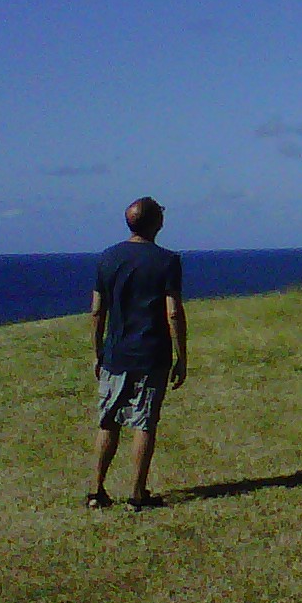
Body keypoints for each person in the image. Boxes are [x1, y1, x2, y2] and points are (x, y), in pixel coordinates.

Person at [88, 196, 187, 511]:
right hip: (151, 354)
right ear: (156, 222)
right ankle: (136, 494)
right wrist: (181, 355)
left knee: (108, 422)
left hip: (116, 354)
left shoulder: (107, 258)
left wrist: (97, 351)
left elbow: (96, 310)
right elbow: (172, 312)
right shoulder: (167, 260)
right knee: (144, 424)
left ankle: (96, 490)